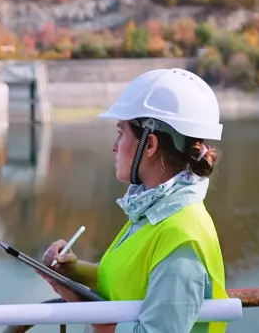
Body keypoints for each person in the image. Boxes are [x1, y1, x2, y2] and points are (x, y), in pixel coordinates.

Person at [41, 68, 229, 333]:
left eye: (121, 133)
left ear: (149, 145)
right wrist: (75, 271)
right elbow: (132, 281)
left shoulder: (182, 237)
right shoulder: (156, 211)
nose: (114, 146)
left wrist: (80, 303)